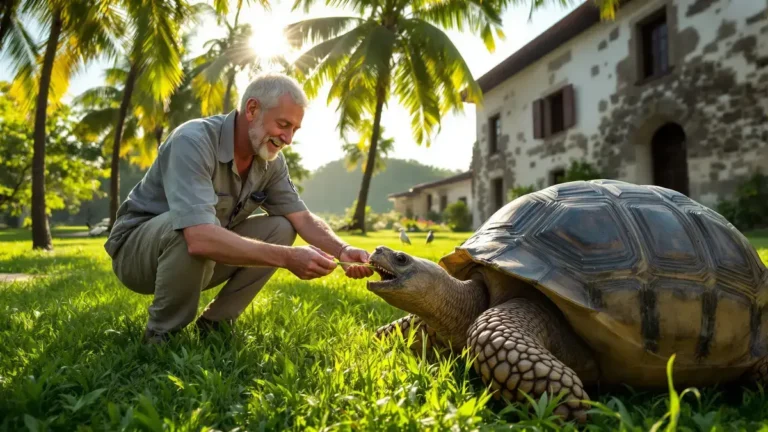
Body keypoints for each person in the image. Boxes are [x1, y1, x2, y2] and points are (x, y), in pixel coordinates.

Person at [104, 72, 374, 343]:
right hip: (137, 256)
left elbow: (302, 218)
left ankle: (215, 326)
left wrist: (342, 250)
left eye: (294, 129)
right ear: (252, 109)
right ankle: (161, 337)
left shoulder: (271, 161)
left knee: (282, 227)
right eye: (283, 125)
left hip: (200, 256)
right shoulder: (193, 140)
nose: (288, 138)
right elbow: (198, 237)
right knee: (188, 228)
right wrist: (287, 258)